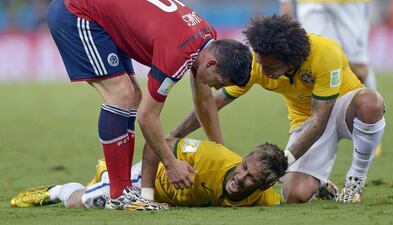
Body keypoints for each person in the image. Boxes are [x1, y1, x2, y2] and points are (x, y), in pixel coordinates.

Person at [47, 0, 252, 209]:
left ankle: (122, 187)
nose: (217, 88)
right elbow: (146, 117)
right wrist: (171, 164)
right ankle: (119, 195)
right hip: (76, 12)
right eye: (221, 81)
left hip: (103, 18)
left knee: (133, 96)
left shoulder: (207, 38)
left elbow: (204, 100)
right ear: (211, 64)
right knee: (122, 95)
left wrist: (221, 152)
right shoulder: (177, 53)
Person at [169, 15, 386, 203]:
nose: (262, 71)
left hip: (342, 108)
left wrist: (284, 161)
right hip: (306, 120)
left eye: (270, 67)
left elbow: (321, 118)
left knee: (371, 103)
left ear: (290, 59)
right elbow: (212, 105)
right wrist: (172, 137)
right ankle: (320, 183)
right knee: (294, 195)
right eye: (261, 64)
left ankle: (355, 180)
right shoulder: (258, 64)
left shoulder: (325, 53)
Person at [10, 138, 288, 210]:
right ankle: (56, 191)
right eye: (244, 167)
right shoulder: (211, 156)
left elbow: (290, 200)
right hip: (145, 181)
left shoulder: (263, 198)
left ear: (265, 185)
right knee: (83, 202)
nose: (241, 177)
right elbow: (159, 145)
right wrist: (146, 196)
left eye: (251, 178)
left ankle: (106, 176)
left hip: (163, 201)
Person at [279, 0, 383, 156]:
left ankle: (371, 125)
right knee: (311, 57)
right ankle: (311, 132)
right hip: (310, 3)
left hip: (350, 4)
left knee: (358, 69)